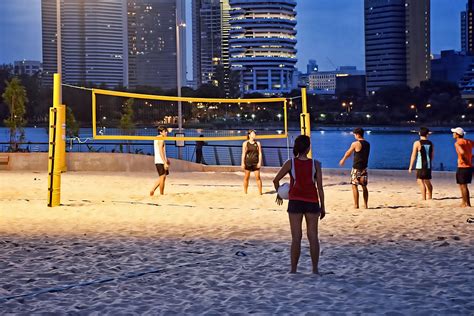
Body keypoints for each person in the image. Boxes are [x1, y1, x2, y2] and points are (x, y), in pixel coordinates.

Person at [273, 135, 325, 274]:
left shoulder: (290, 163)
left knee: (296, 238)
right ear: (308, 148)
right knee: (313, 236)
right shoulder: (316, 164)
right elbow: (319, 187)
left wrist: (280, 193)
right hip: (312, 202)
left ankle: (293, 270)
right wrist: (323, 207)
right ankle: (314, 270)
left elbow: (275, 180)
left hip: (295, 202)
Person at [339, 127, 371, 209]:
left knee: (354, 185)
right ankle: (366, 205)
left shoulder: (355, 144)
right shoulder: (367, 144)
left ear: (357, 134)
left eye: (354, 135)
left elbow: (348, 152)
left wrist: (343, 160)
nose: (354, 136)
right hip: (364, 167)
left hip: (356, 167)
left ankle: (356, 205)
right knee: (364, 186)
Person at [408, 127, 434, 200]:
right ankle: (430, 196)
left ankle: (423, 198)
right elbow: (432, 155)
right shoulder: (431, 143)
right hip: (428, 165)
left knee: (420, 180)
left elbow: (413, 155)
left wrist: (410, 166)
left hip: (420, 165)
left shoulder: (417, 143)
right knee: (427, 181)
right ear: (427, 134)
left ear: (420, 133)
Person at [452, 127, 474, 207]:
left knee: (463, 186)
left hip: (463, 166)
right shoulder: (468, 141)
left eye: (454, 133)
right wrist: (471, 157)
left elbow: (462, 152)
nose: (453, 134)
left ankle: (467, 203)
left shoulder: (457, 143)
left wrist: (465, 159)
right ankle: (464, 202)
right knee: (463, 185)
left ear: (457, 135)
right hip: (469, 167)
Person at [241, 130, 263, 194]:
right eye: (253, 133)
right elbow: (243, 154)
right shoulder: (245, 143)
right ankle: (245, 192)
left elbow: (260, 153)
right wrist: (242, 163)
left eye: (254, 133)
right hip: (248, 162)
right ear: (249, 135)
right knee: (246, 177)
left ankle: (260, 193)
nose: (254, 135)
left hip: (255, 162)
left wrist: (259, 162)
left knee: (258, 177)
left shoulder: (258, 143)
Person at [150, 126, 170, 196]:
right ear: (160, 132)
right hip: (160, 161)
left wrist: (167, 159)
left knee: (162, 177)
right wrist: (164, 162)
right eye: (165, 131)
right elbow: (160, 151)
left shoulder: (158, 138)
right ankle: (161, 194)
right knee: (162, 177)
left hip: (160, 160)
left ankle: (153, 189)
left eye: (166, 131)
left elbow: (162, 151)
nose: (166, 132)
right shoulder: (161, 139)